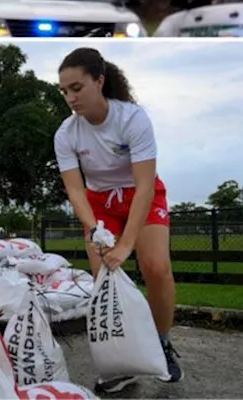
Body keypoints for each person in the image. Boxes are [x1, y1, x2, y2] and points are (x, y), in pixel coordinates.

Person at [54, 47, 182, 394]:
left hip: (141, 194)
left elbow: (144, 186)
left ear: (99, 81)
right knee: (107, 284)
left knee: (156, 267)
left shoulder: (132, 119)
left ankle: (162, 343)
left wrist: (126, 244)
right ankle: (121, 363)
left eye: (77, 87)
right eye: (64, 91)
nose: (70, 97)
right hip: (99, 205)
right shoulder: (66, 134)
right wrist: (95, 230)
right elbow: (76, 191)